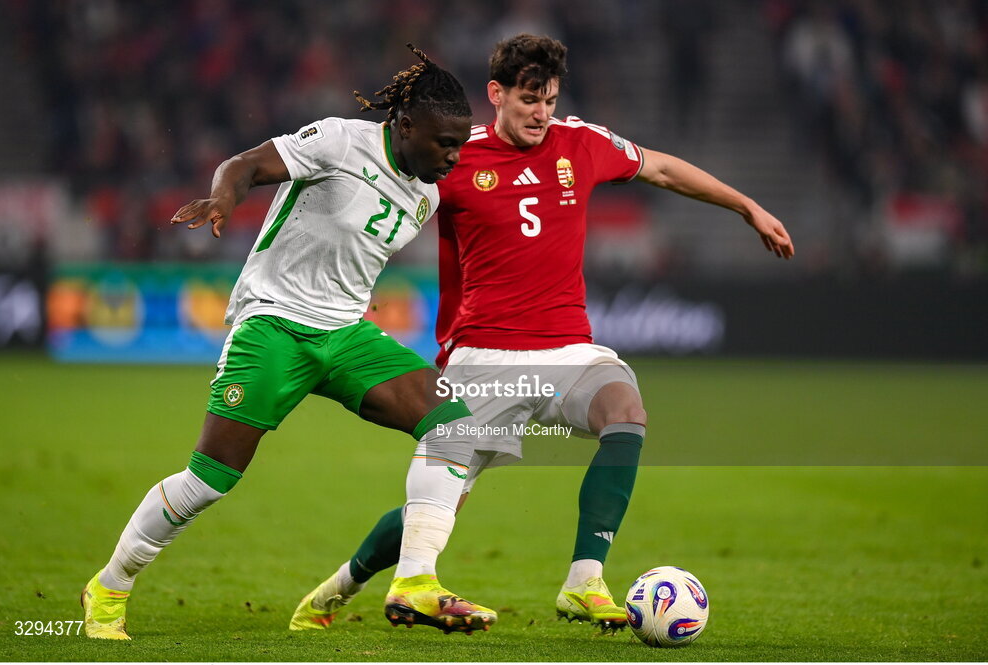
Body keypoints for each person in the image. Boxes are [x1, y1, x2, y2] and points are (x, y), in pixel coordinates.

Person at [290, 34, 795, 634]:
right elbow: (385, 207)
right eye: (530, 100)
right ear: (496, 94)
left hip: (568, 349)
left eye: (550, 100)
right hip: (481, 353)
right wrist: (357, 277)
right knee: (439, 504)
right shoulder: (456, 158)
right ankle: (342, 586)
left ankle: (584, 580)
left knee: (625, 412)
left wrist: (746, 207)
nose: (541, 113)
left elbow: (659, 167)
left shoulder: (580, 144)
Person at [80, 45, 499, 640]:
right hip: (274, 323)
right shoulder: (338, 141)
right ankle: (109, 587)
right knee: (209, 480)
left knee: (455, 426)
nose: (454, 157)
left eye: (461, 145)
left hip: (346, 333)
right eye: (444, 144)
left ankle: (416, 583)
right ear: (405, 126)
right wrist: (224, 196)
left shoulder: (428, 190)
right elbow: (246, 164)